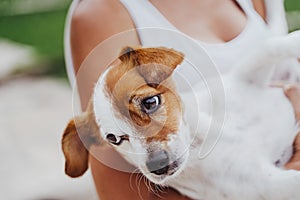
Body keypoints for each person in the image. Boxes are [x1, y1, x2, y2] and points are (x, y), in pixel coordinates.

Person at [64, 0, 300, 199]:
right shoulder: (101, 14)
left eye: (148, 105)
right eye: (116, 137)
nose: (156, 158)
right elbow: (121, 194)